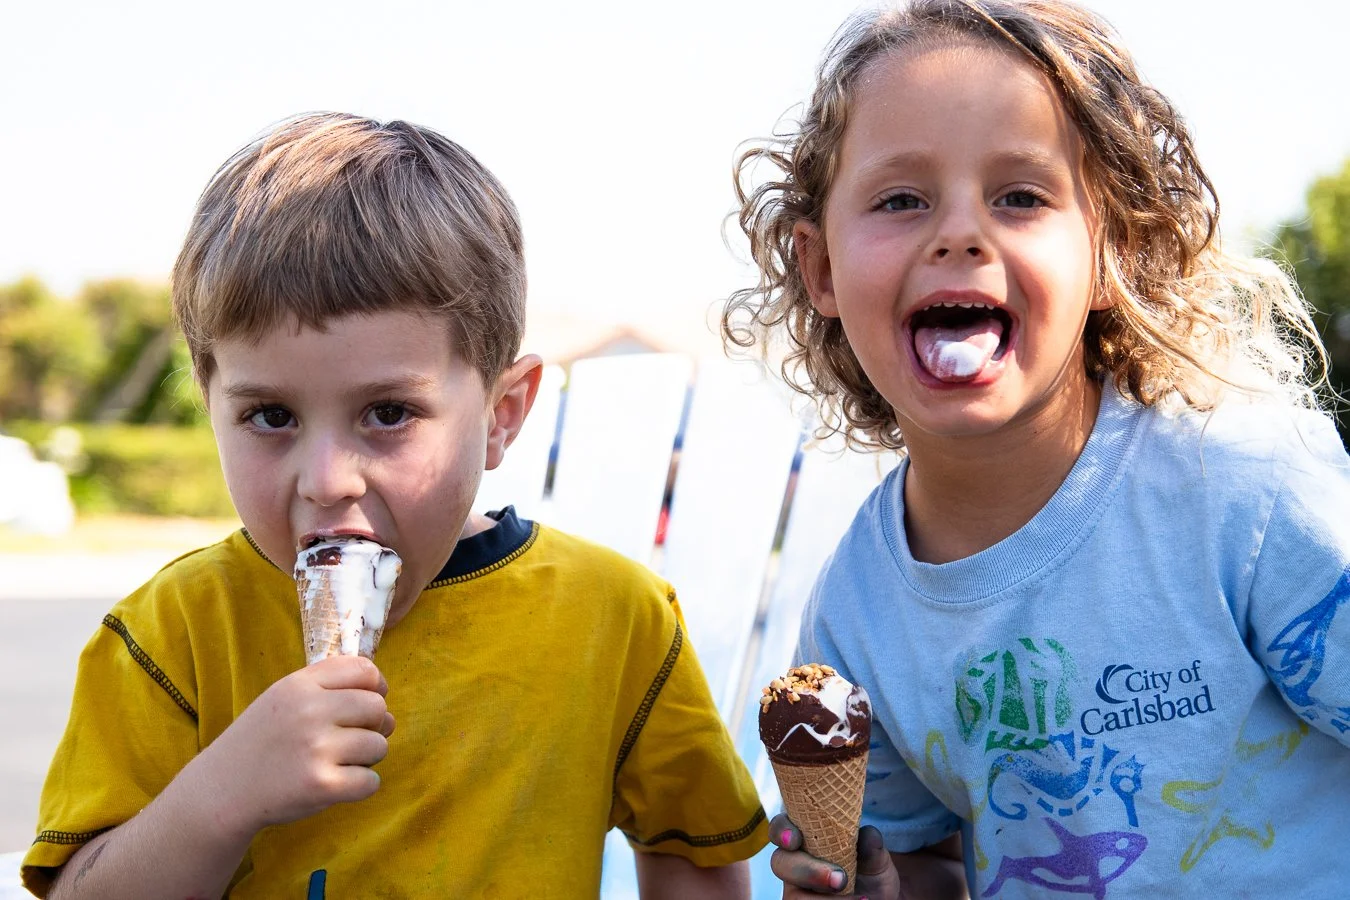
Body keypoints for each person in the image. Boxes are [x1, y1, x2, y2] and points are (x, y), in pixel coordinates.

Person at [22, 113, 767, 899]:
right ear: (212, 406)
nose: (328, 479)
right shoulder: (170, 635)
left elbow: (696, 856)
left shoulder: (615, 620)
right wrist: (222, 795)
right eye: (271, 416)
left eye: (387, 413)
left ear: (502, 414)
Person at [722, 1, 1350, 897]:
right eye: (902, 199)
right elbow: (928, 862)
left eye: (1021, 195)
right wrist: (868, 884)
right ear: (820, 270)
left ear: (1111, 252)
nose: (961, 233)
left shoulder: (1245, 490)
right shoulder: (854, 614)